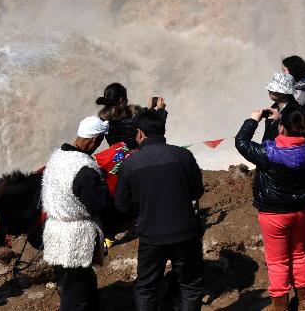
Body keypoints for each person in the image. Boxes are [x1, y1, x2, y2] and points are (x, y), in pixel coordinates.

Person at [115, 110, 205, 310]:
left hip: (151, 236)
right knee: (190, 286)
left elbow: (122, 206)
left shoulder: (130, 164)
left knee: (146, 288)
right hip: (186, 233)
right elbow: (197, 192)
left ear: (139, 133)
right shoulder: (184, 155)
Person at [235, 108, 305, 311]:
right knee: (299, 254)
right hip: (302, 210)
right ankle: (304, 301)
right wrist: (274, 122)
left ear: (282, 128)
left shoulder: (268, 154)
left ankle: (281, 306)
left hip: (274, 214)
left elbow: (241, 142)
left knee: (277, 262)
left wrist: (252, 119)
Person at [41, 116, 110, 311]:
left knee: (71, 282)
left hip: (55, 232)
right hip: (75, 239)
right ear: (95, 140)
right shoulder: (84, 170)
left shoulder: (57, 157)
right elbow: (99, 204)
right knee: (77, 294)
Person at [261, 71, 305, 141]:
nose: (269, 90)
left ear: (283, 93)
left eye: (272, 89)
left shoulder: (296, 112)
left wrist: (279, 120)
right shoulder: (274, 108)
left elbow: (293, 139)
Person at [283, 55, 305, 124]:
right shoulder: (299, 87)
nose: (282, 73)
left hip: (299, 132)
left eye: (284, 70)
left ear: (293, 71)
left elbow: (293, 117)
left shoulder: (299, 92)